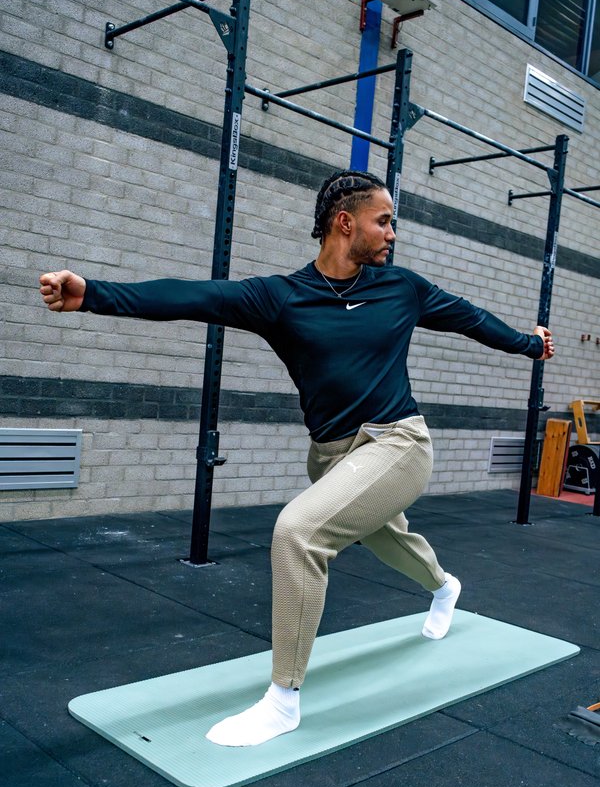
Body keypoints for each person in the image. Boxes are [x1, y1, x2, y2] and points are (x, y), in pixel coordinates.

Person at [39, 169, 554, 747]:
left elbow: (471, 320)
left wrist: (531, 343)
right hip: (333, 456)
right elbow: (195, 296)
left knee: (298, 533)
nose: (391, 234)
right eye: (383, 221)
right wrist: (92, 296)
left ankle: (283, 700)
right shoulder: (280, 298)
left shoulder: (402, 288)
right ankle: (443, 586)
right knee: (391, 539)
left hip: (399, 443)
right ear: (345, 223)